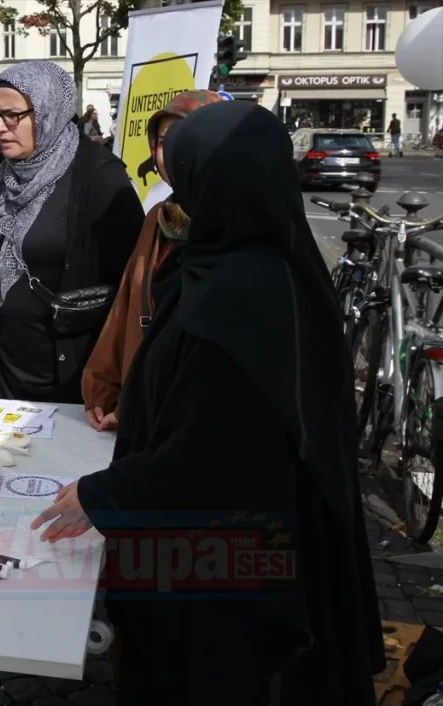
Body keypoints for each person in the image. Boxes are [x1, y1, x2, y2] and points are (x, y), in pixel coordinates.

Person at [30, 101, 384, 703]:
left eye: (187, 169)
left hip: (223, 569)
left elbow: (212, 450)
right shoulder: (266, 265)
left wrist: (102, 495)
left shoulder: (242, 297)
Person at [0, 61, 144, 404]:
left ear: (47, 111)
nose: (0, 127)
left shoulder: (99, 177)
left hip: (65, 366)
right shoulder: (4, 169)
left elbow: (129, 282)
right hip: (0, 362)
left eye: (13, 115)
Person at [81, 90, 224, 431]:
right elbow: (127, 309)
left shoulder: (235, 226)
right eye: (163, 141)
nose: (171, 152)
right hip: (143, 415)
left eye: (186, 139)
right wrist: (105, 390)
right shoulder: (160, 220)